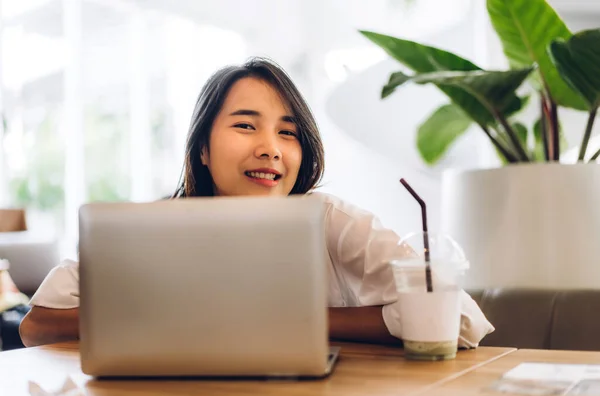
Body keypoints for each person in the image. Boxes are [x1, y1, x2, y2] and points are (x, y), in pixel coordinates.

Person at [19, 57, 494, 348]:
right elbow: (37, 325)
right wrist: (175, 318)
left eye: (288, 133)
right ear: (202, 149)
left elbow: (462, 319)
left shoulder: (330, 221)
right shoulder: (150, 228)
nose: (270, 147)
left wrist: (296, 321)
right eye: (246, 125)